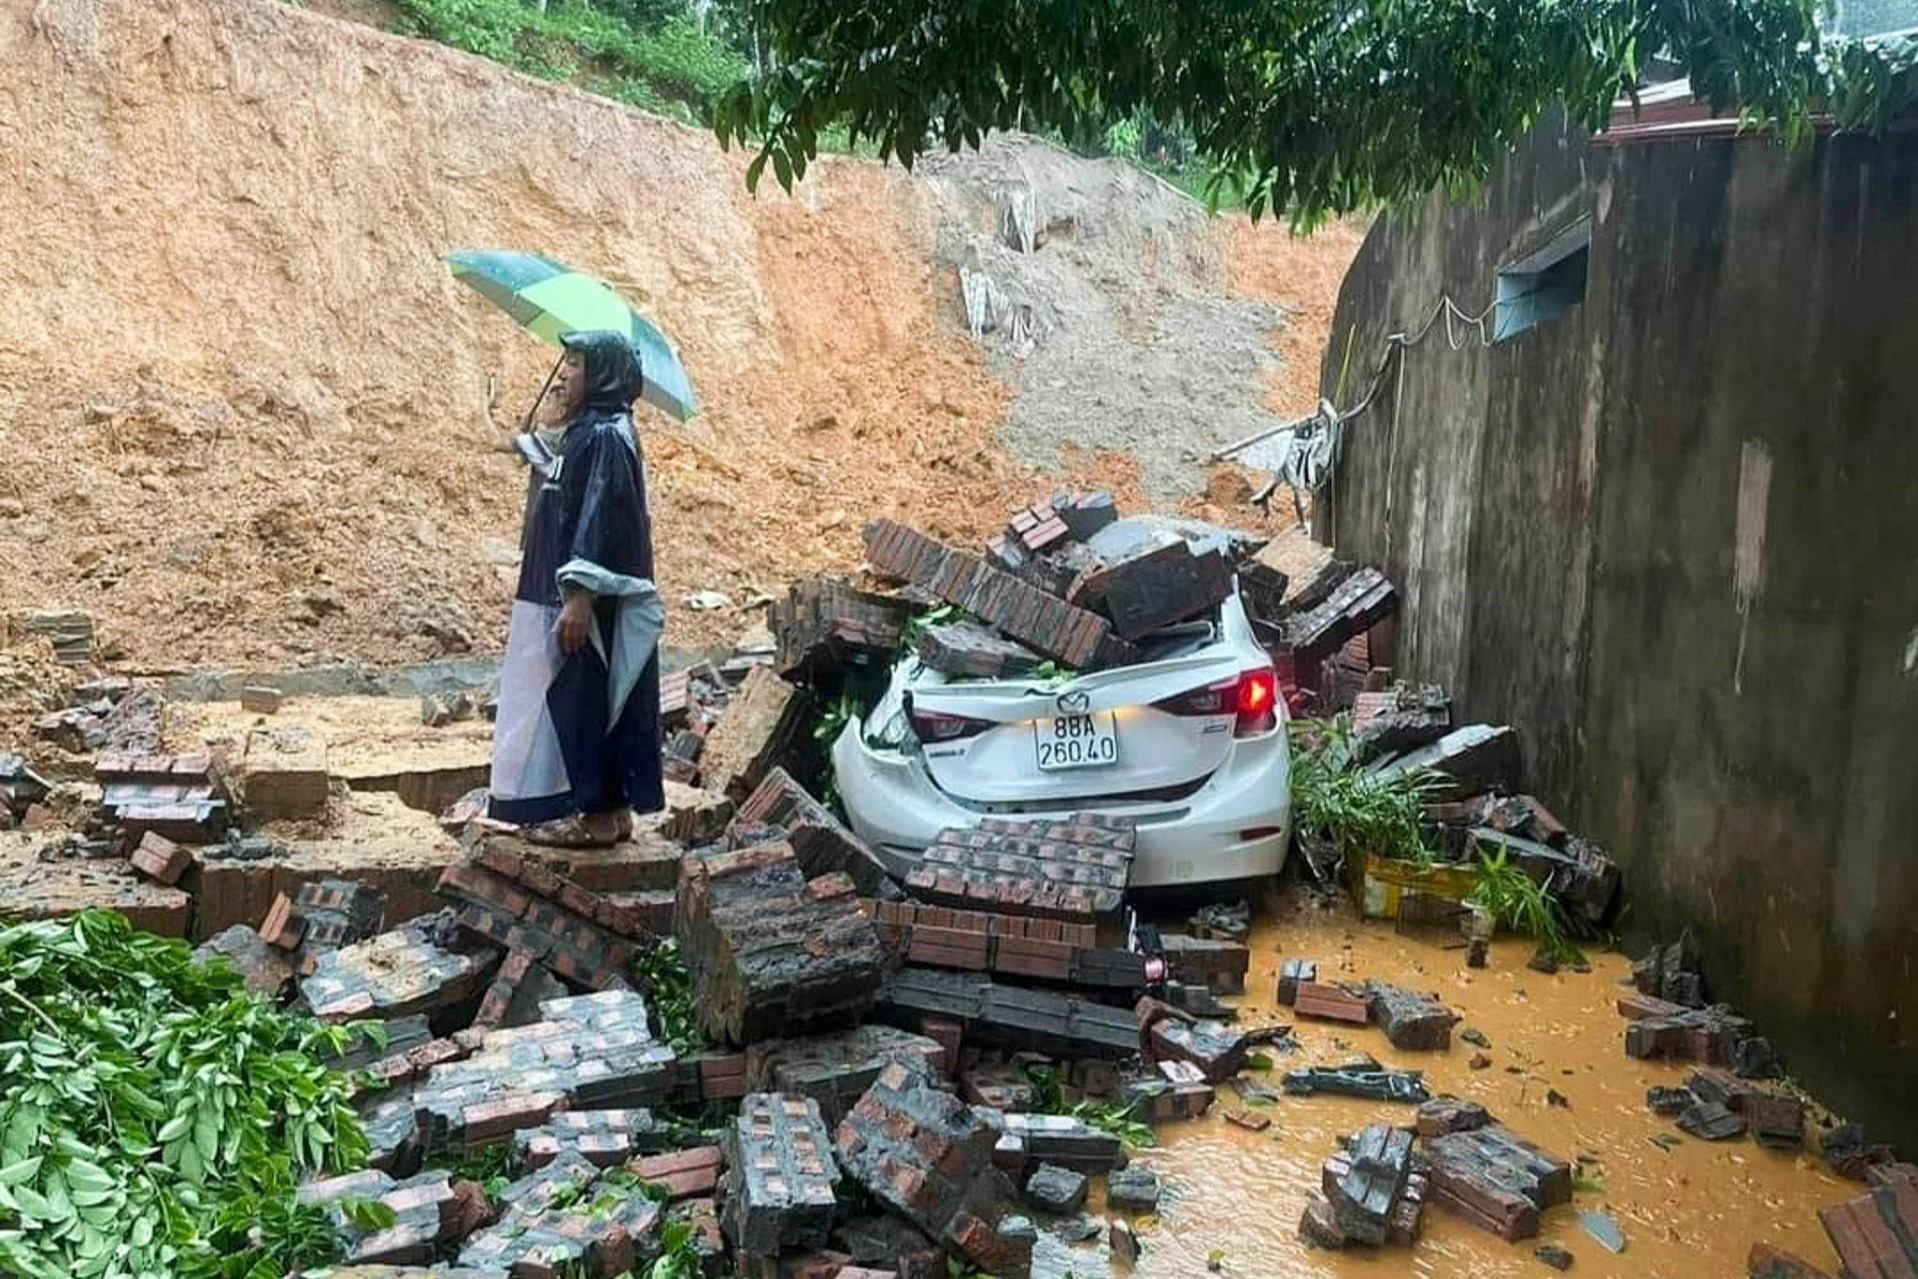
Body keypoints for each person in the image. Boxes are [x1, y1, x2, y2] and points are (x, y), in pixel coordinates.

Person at [488, 330, 665, 846]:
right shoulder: (591, 431)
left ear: (604, 373)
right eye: (564, 359)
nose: (564, 371)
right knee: (589, 698)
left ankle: (598, 816)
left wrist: (581, 595)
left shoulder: (608, 435)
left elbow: (599, 515)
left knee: (585, 700)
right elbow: (565, 480)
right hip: (570, 594)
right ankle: (611, 808)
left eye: (577, 362)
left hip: (586, 602)